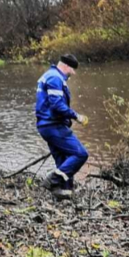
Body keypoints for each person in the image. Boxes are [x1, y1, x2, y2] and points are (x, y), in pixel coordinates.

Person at [36, 54, 89, 200]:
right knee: (80, 154)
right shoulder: (55, 78)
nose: (73, 73)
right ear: (66, 66)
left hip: (46, 125)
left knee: (63, 159)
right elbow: (57, 105)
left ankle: (63, 193)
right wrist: (76, 116)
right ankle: (52, 180)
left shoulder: (48, 75)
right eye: (72, 70)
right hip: (53, 125)